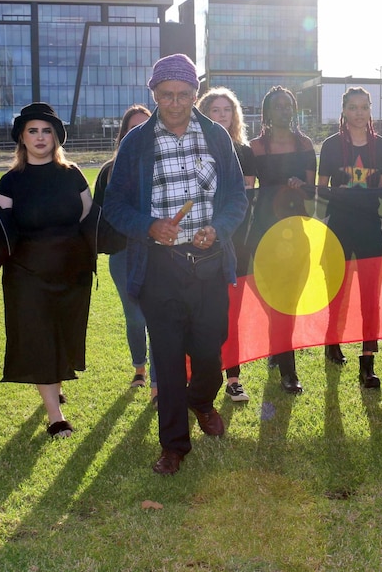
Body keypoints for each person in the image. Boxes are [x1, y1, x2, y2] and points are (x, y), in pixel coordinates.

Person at [103, 54, 248, 475]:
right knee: (166, 357)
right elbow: (113, 205)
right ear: (153, 94)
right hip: (160, 266)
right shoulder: (136, 143)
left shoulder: (218, 137)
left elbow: (237, 197)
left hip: (208, 262)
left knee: (208, 349)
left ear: (196, 93)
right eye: (165, 95)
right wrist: (149, 226)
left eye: (184, 94)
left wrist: (217, 229)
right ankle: (173, 446)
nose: (175, 103)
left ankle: (201, 399)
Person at [0, 102, 99, 438]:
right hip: (28, 278)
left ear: (56, 137)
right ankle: (56, 416)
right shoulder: (10, 183)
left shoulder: (73, 175)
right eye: (33, 131)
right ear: (22, 139)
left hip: (72, 277)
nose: (40, 137)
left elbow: (91, 220)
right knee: (40, 342)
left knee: (62, 339)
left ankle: (52, 384)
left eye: (47, 131)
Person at [317, 87, 382, 389]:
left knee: (370, 296)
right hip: (339, 228)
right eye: (353, 107)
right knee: (337, 291)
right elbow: (321, 188)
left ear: (370, 110)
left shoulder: (381, 145)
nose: (359, 113)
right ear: (344, 110)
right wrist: (339, 193)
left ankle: (368, 363)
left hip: (370, 229)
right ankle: (332, 341)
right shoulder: (332, 145)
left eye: (364, 107)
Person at [246, 86, 317, 395]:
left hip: (295, 227)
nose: (284, 110)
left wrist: (302, 186)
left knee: (289, 298)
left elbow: (314, 191)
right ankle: (282, 355)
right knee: (269, 295)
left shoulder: (305, 145)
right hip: (264, 226)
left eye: (289, 105)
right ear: (267, 113)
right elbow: (248, 189)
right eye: (278, 106)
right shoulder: (254, 148)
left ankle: (285, 361)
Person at [93, 104, 158, 405]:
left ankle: (159, 382)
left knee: (159, 316)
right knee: (135, 317)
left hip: (158, 252)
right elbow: (99, 214)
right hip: (122, 255)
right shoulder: (110, 170)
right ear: (124, 134)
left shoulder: (163, 163)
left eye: (145, 126)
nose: (139, 133)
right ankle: (139, 369)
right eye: (133, 128)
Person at [197, 87, 256, 402]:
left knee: (232, 316)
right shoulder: (193, 149)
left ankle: (234, 379)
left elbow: (244, 202)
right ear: (204, 114)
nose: (221, 115)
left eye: (227, 110)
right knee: (199, 315)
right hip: (199, 247)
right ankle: (193, 379)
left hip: (237, 247)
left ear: (235, 115)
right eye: (215, 110)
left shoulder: (244, 152)